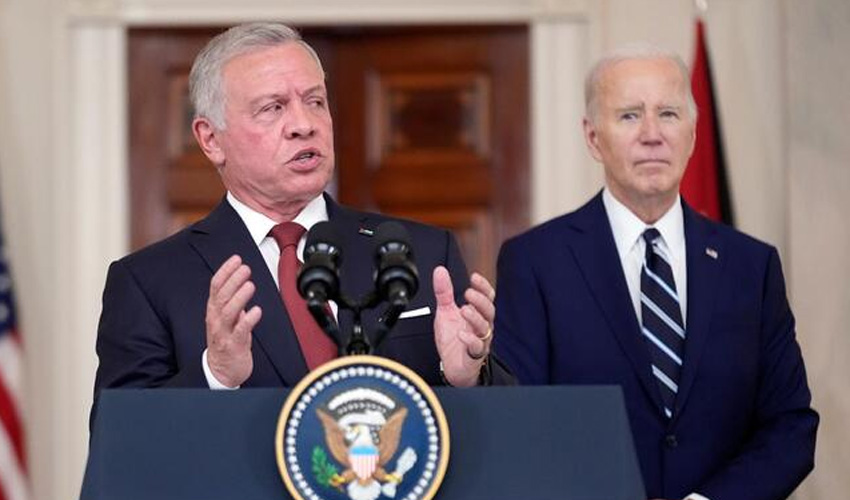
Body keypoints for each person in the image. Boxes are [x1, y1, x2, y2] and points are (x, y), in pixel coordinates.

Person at [92, 23, 509, 411]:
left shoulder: (422, 253)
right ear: (210, 139)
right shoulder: (148, 283)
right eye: (273, 108)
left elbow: (508, 428)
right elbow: (123, 444)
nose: (304, 125)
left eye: (315, 102)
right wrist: (214, 375)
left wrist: (468, 379)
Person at [492, 45, 818, 500]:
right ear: (593, 138)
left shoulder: (752, 267)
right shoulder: (535, 262)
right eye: (629, 115)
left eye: (668, 113)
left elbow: (790, 427)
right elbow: (521, 425)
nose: (652, 134)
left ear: (692, 134)